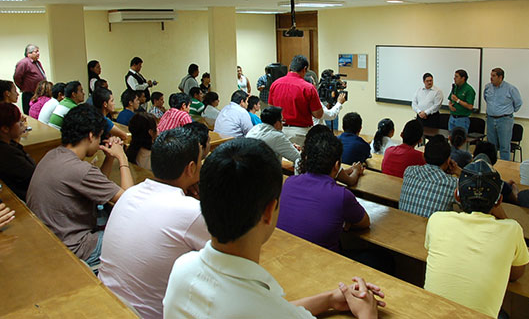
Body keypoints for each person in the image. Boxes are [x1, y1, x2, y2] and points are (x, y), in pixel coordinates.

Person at [163, 138, 385, 319]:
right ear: (269, 211)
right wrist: (367, 315)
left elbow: (274, 309)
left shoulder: (182, 269)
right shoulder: (262, 309)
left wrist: (328, 299)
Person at [99, 127, 209, 319]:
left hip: (107, 302)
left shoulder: (130, 193)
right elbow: (228, 252)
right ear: (191, 168)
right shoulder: (190, 212)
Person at [424, 154, 529, 318]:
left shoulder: (437, 220)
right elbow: (516, 275)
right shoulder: (512, 230)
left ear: (457, 195)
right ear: (499, 200)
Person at [27, 104, 134, 266]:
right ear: (91, 136)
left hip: (50, 239)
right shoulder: (80, 170)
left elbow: (96, 187)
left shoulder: (53, 154)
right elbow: (130, 200)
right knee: (136, 231)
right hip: (75, 247)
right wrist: (122, 158)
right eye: (99, 137)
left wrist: (109, 157)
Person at [277, 132, 370, 253]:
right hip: (322, 264)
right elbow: (364, 223)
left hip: (285, 255)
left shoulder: (289, 182)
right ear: (337, 165)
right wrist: (344, 223)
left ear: (306, 159)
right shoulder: (341, 195)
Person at [399, 135, 461, 218]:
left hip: (403, 225)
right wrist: (458, 171)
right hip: (430, 230)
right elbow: (468, 206)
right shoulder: (452, 183)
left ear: (423, 157)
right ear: (448, 160)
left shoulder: (409, 171)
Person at [268, 55, 323, 146]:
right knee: (298, 159)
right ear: (305, 69)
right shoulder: (308, 88)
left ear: (290, 66)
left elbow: (270, 108)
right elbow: (318, 114)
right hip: (299, 133)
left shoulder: (275, 84)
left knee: (280, 160)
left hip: (278, 130)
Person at [483, 68, 523, 161]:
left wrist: (507, 112)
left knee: (504, 146)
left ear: (500, 77)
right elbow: (486, 99)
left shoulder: (510, 88)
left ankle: (504, 168)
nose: (491, 78)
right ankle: (491, 166)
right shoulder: (488, 87)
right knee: (491, 146)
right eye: (491, 75)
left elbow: (518, 103)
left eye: (493, 76)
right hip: (490, 119)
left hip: (504, 120)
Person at [0, 102, 35, 201]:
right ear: (5, 129)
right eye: (18, 121)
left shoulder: (8, 145)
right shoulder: (8, 153)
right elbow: (33, 174)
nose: (22, 124)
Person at [13, 44, 46, 114]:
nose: (38, 53)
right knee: (30, 114)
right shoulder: (23, 63)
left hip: (39, 94)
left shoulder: (37, 62)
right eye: (36, 51)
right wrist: (23, 87)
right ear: (29, 53)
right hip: (29, 95)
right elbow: (17, 77)